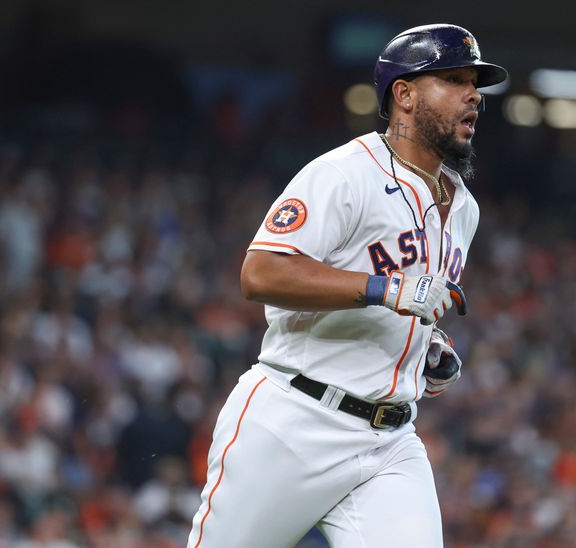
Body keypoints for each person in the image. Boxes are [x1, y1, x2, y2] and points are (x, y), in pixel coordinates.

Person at [188, 23, 507, 548]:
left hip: (390, 441)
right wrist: (386, 289)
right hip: (296, 420)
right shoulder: (343, 173)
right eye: (452, 79)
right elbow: (261, 272)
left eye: (474, 83)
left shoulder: (464, 207)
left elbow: (413, 304)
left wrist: (428, 349)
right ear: (403, 95)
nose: (472, 95)